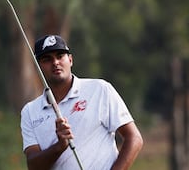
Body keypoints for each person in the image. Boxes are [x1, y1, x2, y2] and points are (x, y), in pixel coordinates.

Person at [20, 35, 143, 170]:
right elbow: (33, 166)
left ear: (70, 60)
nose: (55, 62)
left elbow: (134, 139)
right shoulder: (30, 111)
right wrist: (59, 146)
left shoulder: (100, 89)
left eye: (60, 56)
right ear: (38, 68)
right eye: (47, 59)